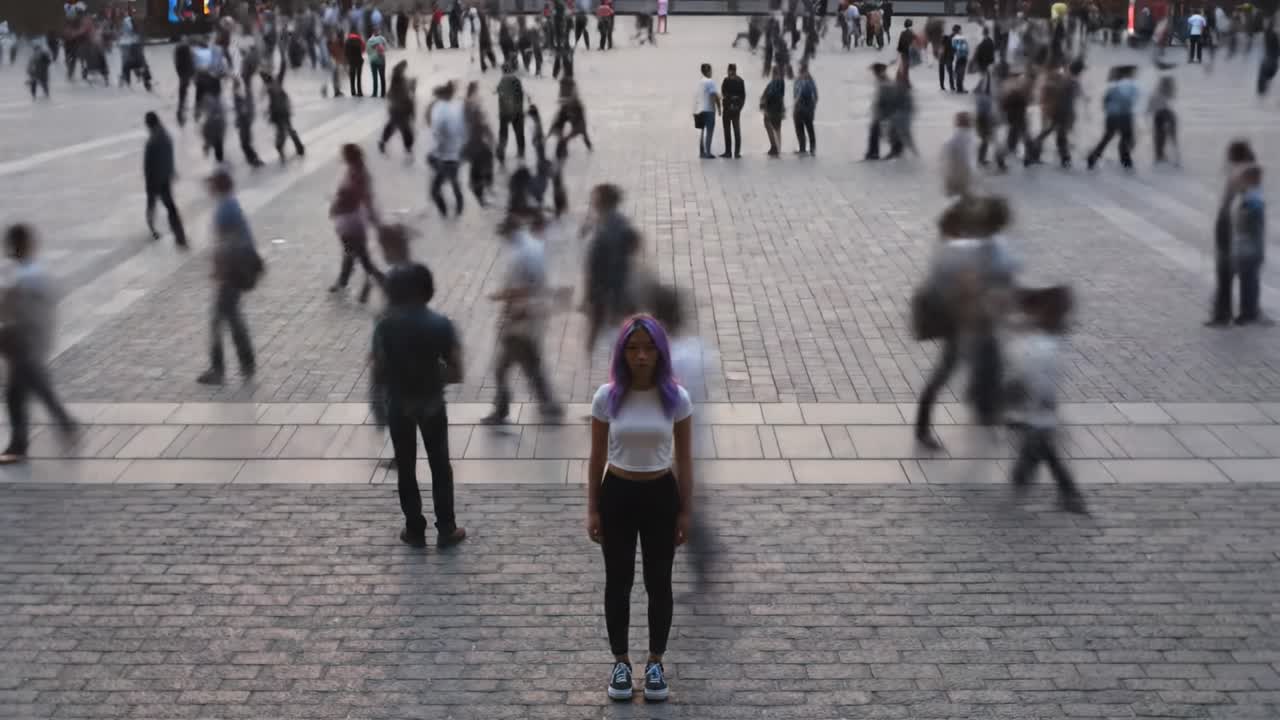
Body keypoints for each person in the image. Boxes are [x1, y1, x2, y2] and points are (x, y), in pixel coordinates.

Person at [588, 314, 693, 703]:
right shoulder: (607, 397)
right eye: (633, 349)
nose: (641, 356)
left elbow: (685, 459)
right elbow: (596, 456)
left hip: (660, 496)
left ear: (660, 353)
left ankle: (655, 661)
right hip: (616, 493)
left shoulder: (676, 399)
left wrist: (685, 512)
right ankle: (619, 662)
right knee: (618, 582)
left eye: (648, 348)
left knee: (658, 582)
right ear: (622, 353)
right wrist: (592, 509)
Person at [374, 262, 467, 549]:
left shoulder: (385, 326)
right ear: (427, 290)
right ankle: (446, 528)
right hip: (431, 404)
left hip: (398, 405)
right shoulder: (441, 324)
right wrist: (431, 375)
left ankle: (414, 528)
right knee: (440, 466)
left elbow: (378, 372)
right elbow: (456, 372)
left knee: (406, 466)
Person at [912, 196, 1019, 449]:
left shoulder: (978, 245)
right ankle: (926, 425)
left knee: (988, 363)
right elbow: (960, 280)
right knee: (951, 368)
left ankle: (984, 410)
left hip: (975, 317)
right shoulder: (970, 248)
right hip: (962, 318)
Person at [0, 224, 78, 465]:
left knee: (17, 394)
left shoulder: (23, 278)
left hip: (25, 344)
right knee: (33, 388)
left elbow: (8, 311)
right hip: (32, 344)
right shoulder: (34, 272)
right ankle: (65, 423)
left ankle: (19, 446)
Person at [1004, 286, 1086, 514]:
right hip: (1035, 407)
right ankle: (1067, 492)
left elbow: (1034, 375)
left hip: (1035, 405)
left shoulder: (1042, 344)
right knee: (1043, 446)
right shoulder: (1045, 338)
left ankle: (1066, 492)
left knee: (1040, 445)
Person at [480, 206, 565, 425]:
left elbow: (518, 290)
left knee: (503, 367)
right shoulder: (534, 245)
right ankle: (549, 405)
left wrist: (499, 298)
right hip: (535, 313)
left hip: (520, 316)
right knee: (530, 363)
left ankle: (502, 410)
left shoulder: (517, 254)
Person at [199, 169, 261, 386]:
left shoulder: (225, 209)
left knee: (218, 321)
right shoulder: (230, 203)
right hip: (237, 268)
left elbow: (227, 244)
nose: (208, 188)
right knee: (233, 318)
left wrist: (219, 271)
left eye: (211, 184)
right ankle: (247, 363)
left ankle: (218, 370)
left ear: (218, 185)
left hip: (232, 271)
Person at [583, 184, 643, 359]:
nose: (592, 202)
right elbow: (635, 242)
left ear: (603, 202)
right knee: (611, 322)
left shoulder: (606, 227)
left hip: (607, 285)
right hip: (619, 282)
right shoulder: (619, 221)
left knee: (602, 323)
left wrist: (589, 293)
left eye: (595, 198)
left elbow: (594, 264)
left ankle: (596, 358)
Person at [1208, 141, 1257, 327]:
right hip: (1229, 226)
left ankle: (1224, 314)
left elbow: (1244, 205)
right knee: (1228, 272)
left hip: (1231, 227)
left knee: (1226, 272)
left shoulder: (1243, 174)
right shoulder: (1240, 172)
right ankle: (1232, 312)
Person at [329, 144, 385, 303]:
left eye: (344, 154)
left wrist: (374, 217)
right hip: (347, 218)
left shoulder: (359, 174)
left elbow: (365, 197)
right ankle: (344, 281)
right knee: (352, 252)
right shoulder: (352, 170)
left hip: (352, 220)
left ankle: (382, 280)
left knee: (359, 254)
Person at [143, 113, 189, 248]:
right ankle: (180, 235)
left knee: (152, 204)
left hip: (155, 180)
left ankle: (152, 229)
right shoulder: (166, 136)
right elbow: (169, 158)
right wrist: (171, 171)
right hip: (165, 178)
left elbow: (148, 165)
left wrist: (149, 181)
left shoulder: (152, 141)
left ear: (149, 124)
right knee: (171, 207)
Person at [1232, 164, 1267, 326]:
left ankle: (1249, 312)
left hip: (1250, 248)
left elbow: (1249, 223)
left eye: (1243, 179)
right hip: (1249, 246)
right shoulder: (1251, 196)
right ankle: (1249, 311)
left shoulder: (1253, 199)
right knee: (1248, 280)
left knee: (1249, 281)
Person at [1086, 65, 1138, 171]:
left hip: (1112, 116)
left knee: (1109, 137)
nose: (1134, 74)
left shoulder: (1113, 86)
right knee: (1126, 137)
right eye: (1131, 73)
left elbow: (1105, 102)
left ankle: (1093, 157)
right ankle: (1125, 159)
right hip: (1123, 115)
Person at [428, 81, 466, 218]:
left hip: (445, 155)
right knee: (454, 180)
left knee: (435, 189)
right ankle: (459, 206)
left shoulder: (440, 110)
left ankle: (445, 211)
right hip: (455, 154)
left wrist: (436, 150)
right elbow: (463, 131)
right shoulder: (456, 107)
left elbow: (438, 133)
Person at [496, 60, 526, 166]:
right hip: (516, 111)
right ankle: (521, 152)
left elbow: (499, 92)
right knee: (519, 132)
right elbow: (520, 96)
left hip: (504, 112)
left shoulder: (502, 80)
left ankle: (501, 152)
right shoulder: (515, 79)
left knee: (503, 134)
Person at [941, 111, 976, 200]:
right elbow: (966, 157)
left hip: (956, 170)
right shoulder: (964, 136)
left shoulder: (958, 135)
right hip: (962, 171)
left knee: (959, 196)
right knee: (965, 195)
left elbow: (945, 156)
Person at [1148, 75, 1178, 165]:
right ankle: (1166, 156)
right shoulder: (1160, 93)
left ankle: (1160, 156)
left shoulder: (1157, 93)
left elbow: (1150, 107)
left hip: (1161, 116)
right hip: (1164, 116)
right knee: (1167, 138)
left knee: (1160, 137)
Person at [694, 63, 720, 159]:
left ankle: (702, 152)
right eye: (711, 71)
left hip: (699, 110)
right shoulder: (710, 82)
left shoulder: (699, 82)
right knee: (709, 132)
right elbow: (714, 95)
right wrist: (719, 107)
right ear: (708, 71)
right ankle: (707, 152)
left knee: (702, 131)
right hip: (709, 110)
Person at [720, 64, 745, 159]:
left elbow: (724, 94)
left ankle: (730, 152)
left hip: (729, 109)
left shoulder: (728, 81)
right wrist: (739, 107)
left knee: (733, 131)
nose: (729, 72)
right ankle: (734, 152)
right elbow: (743, 97)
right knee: (733, 131)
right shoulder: (738, 81)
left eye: (730, 70)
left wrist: (731, 103)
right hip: (733, 109)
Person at [792, 62, 817, 155]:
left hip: (803, 107)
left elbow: (815, 95)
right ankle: (806, 148)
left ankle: (808, 148)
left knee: (805, 127)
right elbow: (815, 95)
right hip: (802, 107)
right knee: (803, 128)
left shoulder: (806, 81)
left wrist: (811, 107)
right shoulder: (804, 80)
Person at [760, 64, 785, 157]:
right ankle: (776, 147)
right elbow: (767, 94)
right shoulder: (774, 83)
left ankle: (776, 147)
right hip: (774, 108)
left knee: (774, 127)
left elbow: (772, 94)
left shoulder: (778, 82)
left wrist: (764, 101)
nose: (774, 75)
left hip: (774, 109)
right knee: (774, 127)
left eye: (775, 73)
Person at [366, 27, 388, 97]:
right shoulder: (382, 39)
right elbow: (386, 48)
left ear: (373, 32)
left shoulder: (369, 41)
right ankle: (383, 93)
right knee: (382, 77)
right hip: (381, 60)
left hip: (373, 61)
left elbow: (368, 51)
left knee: (374, 78)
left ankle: (374, 93)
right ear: (378, 32)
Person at [344, 29, 365, 96]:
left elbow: (345, 52)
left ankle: (353, 91)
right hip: (359, 60)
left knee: (352, 77)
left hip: (351, 61)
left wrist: (348, 59)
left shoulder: (347, 41)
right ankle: (359, 91)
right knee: (359, 77)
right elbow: (363, 48)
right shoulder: (359, 40)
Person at [951, 24, 970, 93]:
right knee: (960, 73)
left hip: (959, 57)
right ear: (958, 30)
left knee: (959, 72)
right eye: (960, 30)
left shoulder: (954, 38)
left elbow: (954, 47)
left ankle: (959, 87)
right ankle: (960, 88)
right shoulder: (958, 38)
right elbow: (961, 48)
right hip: (961, 57)